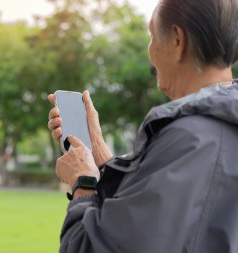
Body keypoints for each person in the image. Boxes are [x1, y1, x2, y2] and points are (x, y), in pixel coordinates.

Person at [47, 0, 238, 252]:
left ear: (177, 41)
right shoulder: (222, 123)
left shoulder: (190, 137)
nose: (150, 51)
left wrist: (83, 182)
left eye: (152, 36)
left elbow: (94, 247)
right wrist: (100, 159)